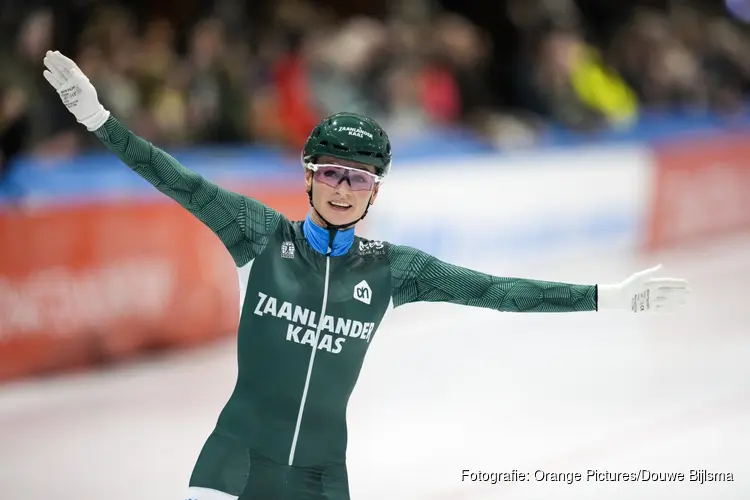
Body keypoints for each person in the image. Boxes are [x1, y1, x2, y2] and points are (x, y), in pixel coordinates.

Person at [42, 50, 689, 500]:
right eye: (330, 173)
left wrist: (605, 298)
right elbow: (174, 178)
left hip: (321, 478)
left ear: (374, 191)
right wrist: (100, 120)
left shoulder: (391, 270)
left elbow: (496, 292)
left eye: (359, 179)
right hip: (234, 462)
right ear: (308, 175)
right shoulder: (261, 234)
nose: (343, 189)